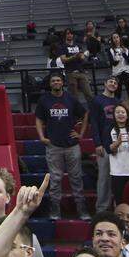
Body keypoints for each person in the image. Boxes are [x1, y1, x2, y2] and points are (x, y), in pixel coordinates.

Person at [34, 72, 89, 219]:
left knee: (76, 179)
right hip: (54, 146)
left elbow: (85, 115)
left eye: (58, 80)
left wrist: (81, 134)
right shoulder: (44, 100)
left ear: (62, 82)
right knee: (55, 179)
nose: (56, 82)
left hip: (72, 146)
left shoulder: (71, 98)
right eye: (53, 81)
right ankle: (55, 211)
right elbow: (38, 119)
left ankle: (82, 210)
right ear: (50, 83)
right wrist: (41, 137)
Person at [89, 77, 123, 213]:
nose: (113, 84)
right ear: (104, 83)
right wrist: (98, 143)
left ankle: (118, 207)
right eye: (111, 82)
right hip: (104, 145)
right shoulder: (97, 100)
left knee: (119, 178)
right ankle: (101, 209)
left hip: (118, 146)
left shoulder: (118, 102)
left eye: (115, 83)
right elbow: (94, 123)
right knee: (104, 179)